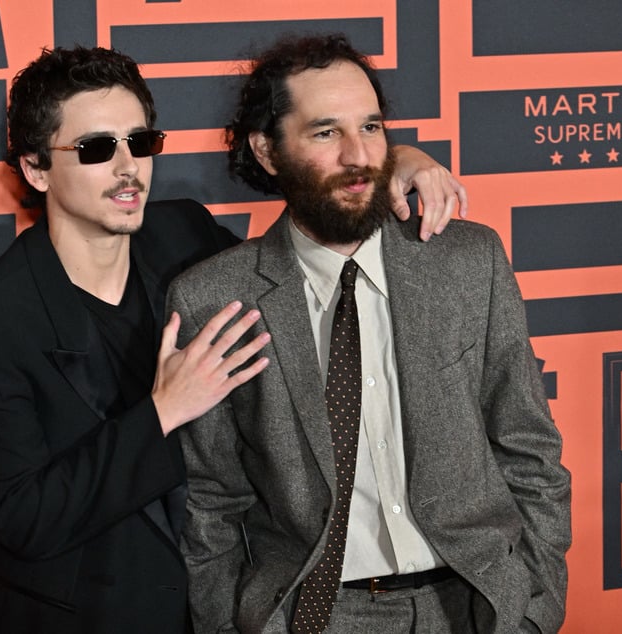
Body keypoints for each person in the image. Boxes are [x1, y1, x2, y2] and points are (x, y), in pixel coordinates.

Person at [0, 44, 467, 634]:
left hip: (217, 606)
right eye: (96, 148)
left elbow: (304, 243)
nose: (128, 168)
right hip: (94, 616)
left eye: (140, 142)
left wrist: (395, 162)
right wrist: (163, 411)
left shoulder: (184, 236)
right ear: (36, 169)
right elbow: (27, 517)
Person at [169, 34, 571, 634]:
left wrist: (534, 609)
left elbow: (528, 446)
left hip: (475, 603)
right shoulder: (214, 297)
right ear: (268, 150)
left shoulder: (468, 262)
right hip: (315, 613)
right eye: (325, 132)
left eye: (371, 127)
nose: (358, 155)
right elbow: (212, 500)